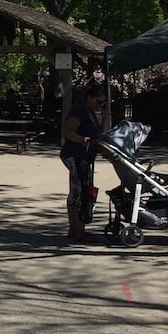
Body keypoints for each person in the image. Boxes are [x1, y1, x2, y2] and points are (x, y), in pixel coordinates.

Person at [60, 84, 109, 243]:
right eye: (98, 101)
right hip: (75, 155)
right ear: (89, 97)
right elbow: (68, 132)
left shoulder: (92, 113)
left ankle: (75, 228)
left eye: (103, 102)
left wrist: (105, 117)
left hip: (85, 157)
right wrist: (82, 140)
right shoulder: (79, 111)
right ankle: (78, 230)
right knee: (81, 191)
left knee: (77, 190)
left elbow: (99, 134)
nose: (99, 104)